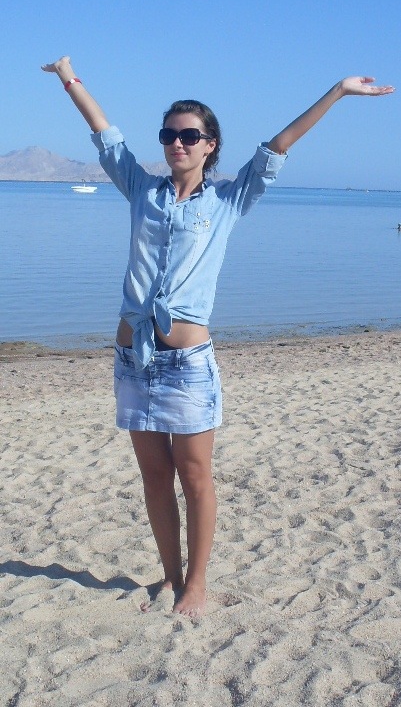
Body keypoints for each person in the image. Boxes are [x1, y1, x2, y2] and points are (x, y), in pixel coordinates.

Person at [41, 57, 394, 617]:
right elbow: (105, 135)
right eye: (169, 135)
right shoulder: (142, 190)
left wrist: (338, 92)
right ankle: (169, 576)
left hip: (187, 365)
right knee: (155, 477)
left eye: (189, 136)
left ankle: (197, 583)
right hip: (132, 358)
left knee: (195, 475)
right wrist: (68, 76)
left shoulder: (228, 201)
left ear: (210, 145)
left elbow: (278, 146)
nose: (177, 144)